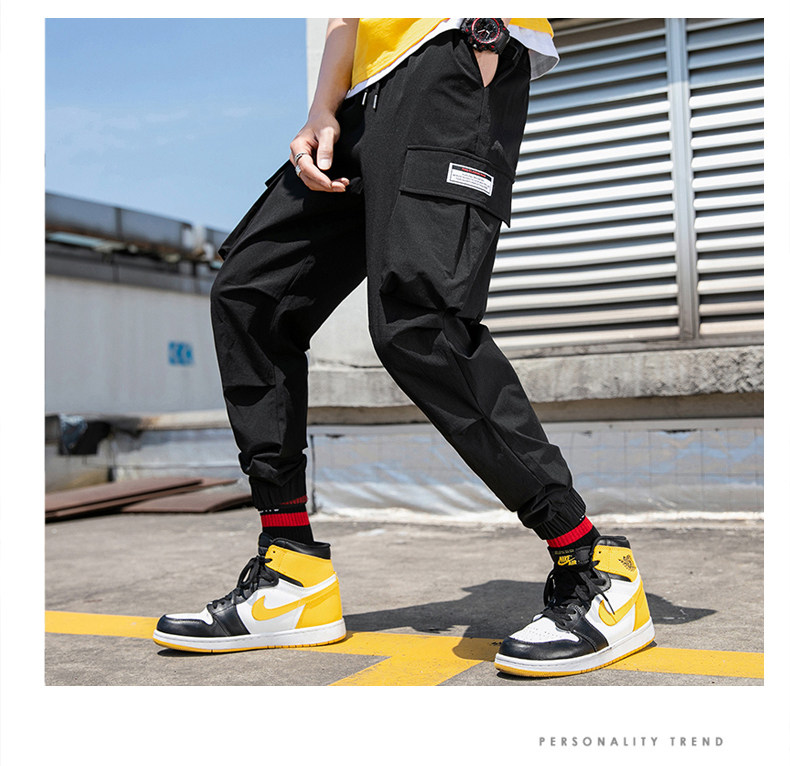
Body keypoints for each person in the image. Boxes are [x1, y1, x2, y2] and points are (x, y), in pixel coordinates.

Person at [153, 17, 655, 678]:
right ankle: (290, 569)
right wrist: (323, 108)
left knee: (419, 323)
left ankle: (593, 563)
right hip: (362, 97)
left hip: (446, 56)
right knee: (252, 296)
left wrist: (483, 35)